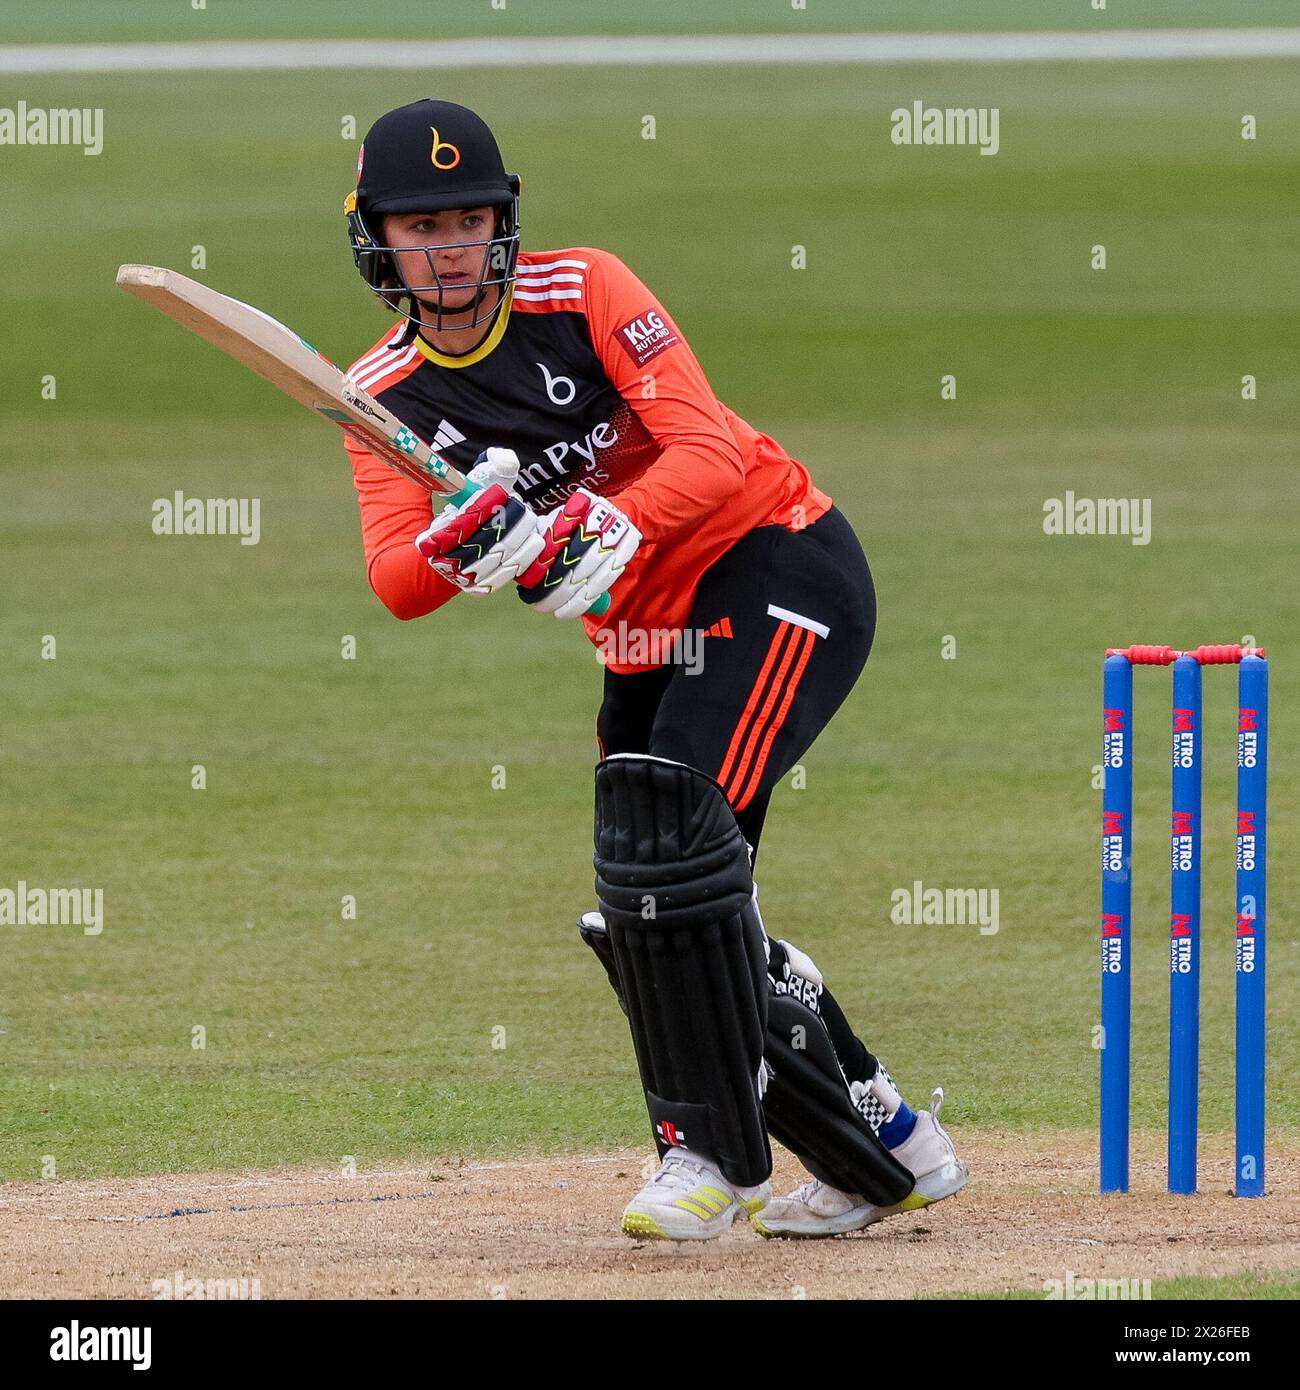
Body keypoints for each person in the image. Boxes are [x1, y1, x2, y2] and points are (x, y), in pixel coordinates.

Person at [342, 98, 969, 1240]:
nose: (449, 248)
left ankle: (711, 1158)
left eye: (471, 219)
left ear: (504, 225)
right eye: (420, 226)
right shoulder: (380, 391)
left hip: (775, 566)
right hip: (642, 635)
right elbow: (394, 578)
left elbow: (710, 448)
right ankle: (887, 1142)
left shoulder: (584, 291)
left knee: (674, 854)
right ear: (375, 238)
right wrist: (472, 542)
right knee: (652, 896)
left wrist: (596, 522)